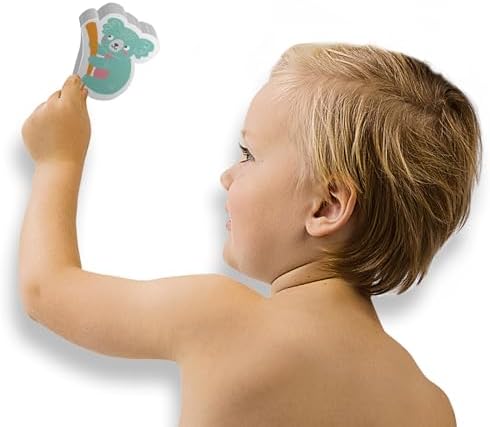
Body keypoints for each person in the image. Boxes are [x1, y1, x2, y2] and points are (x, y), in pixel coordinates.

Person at [20, 43, 481, 426]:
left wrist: (58, 159)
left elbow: (46, 291)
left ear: (326, 206)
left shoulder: (220, 317)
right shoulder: (431, 406)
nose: (227, 176)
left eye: (248, 154)